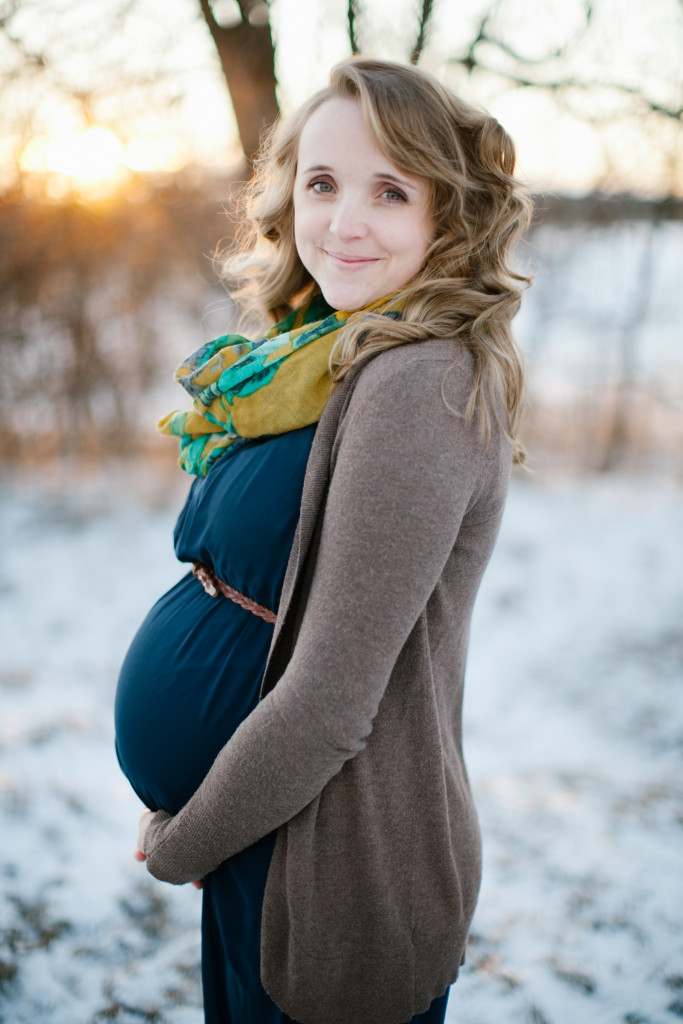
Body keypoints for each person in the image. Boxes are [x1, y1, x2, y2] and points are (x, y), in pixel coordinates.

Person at [114, 56, 531, 1024]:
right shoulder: (321, 358)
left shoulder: (418, 384)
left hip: (329, 855)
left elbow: (335, 697)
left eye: (389, 191)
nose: (343, 222)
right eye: (321, 183)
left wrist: (187, 839)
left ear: (448, 217)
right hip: (260, 825)